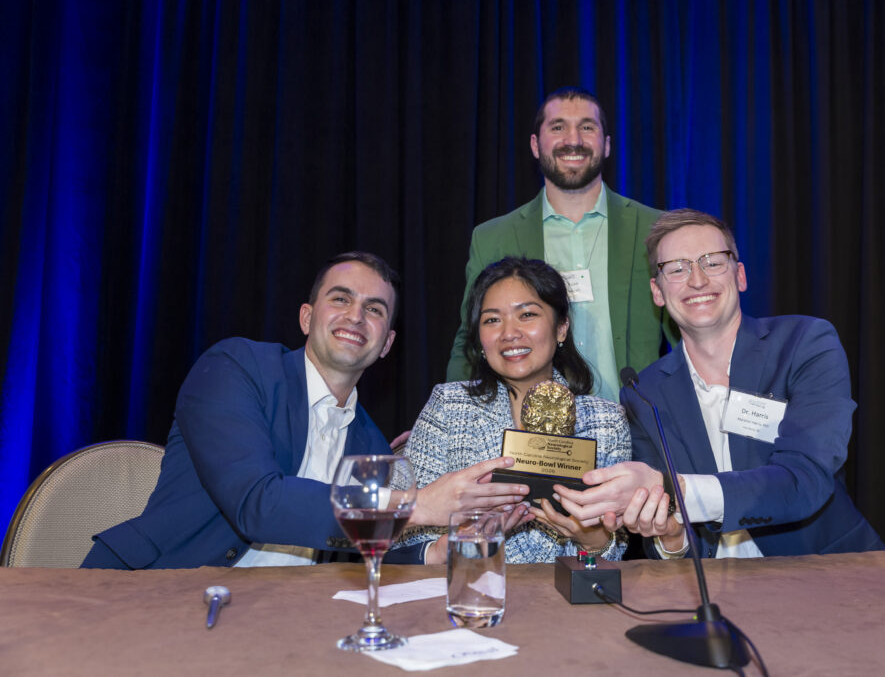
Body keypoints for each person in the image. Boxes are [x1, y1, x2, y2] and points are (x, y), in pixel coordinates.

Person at [82, 252, 526, 569]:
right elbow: (256, 502)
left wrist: (446, 548)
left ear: (387, 344)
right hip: (150, 593)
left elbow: (364, 549)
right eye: (340, 299)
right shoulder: (236, 368)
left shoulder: (370, 443)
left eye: (374, 310)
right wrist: (416, 504)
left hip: (284, 617)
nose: (356, 316)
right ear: (305, 317)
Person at [553, 210, 885, 558]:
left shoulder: (805, 344)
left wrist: (675, 489)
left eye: (712, 262)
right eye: (677, 268)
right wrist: (670, 535)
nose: (697, 280)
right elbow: (669, 545)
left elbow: (805, 480)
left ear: (740, 275)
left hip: (828, 576)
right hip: (710, 594)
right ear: (658, 291)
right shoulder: (643, 393)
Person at [445, 87, 673, 403]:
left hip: (637, 429)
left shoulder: (654, 229)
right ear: (536, 146)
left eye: (587, 127)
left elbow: (687, 333)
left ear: (607, 145)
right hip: (531, 438)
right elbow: (470, 343)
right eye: (558, 127)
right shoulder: (493, 237)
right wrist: (448, 417)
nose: (573, 139)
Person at [401, 257, 631, 563]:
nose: (509, 332)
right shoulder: (447, 406)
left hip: (567, 603)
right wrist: (460, 543)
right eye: (492, 320)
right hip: (470, 593)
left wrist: (592, 537)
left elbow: (615, 548)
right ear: (480, 339)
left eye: (527, 315)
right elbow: (400, 534)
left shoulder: (607, 421)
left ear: (561, 328)